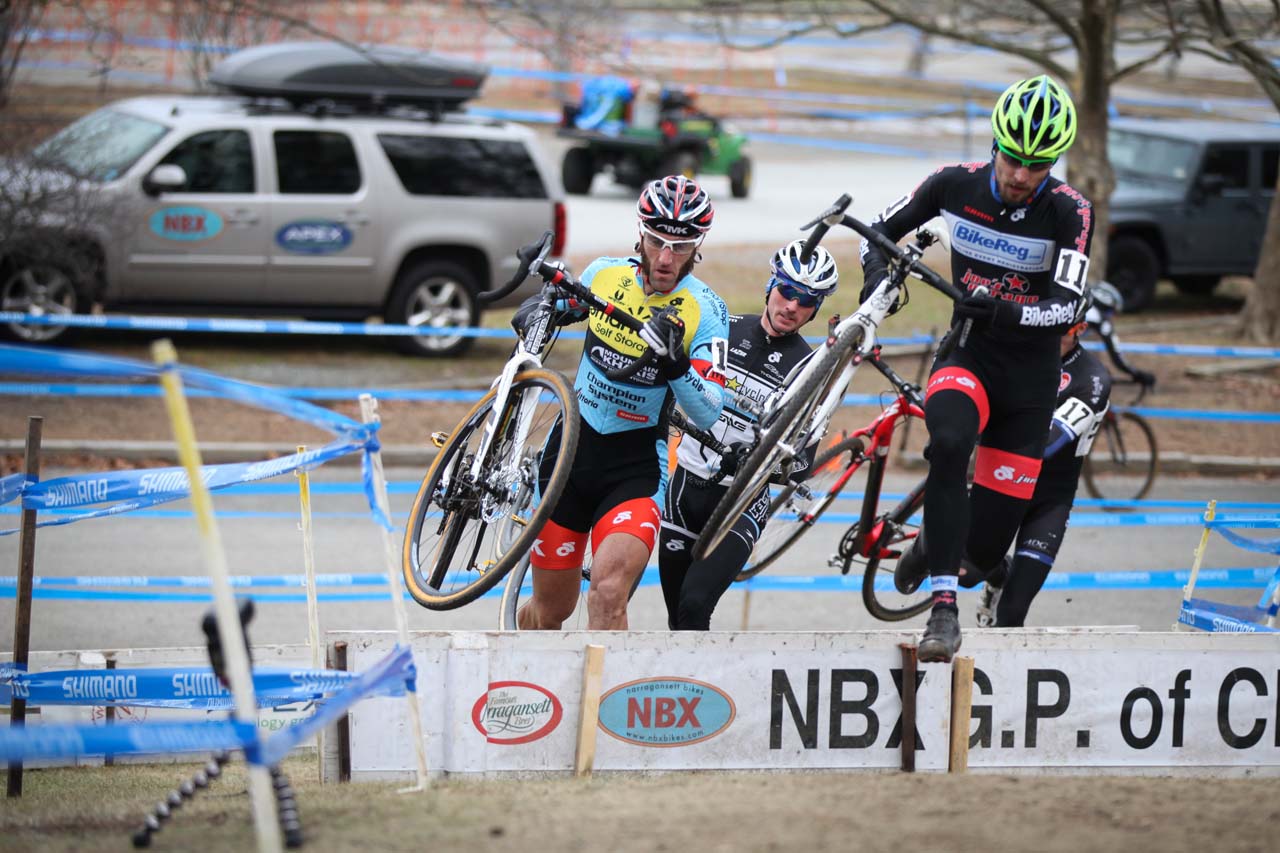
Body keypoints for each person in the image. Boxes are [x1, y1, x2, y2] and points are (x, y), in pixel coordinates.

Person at [860, 74, 1093, 662]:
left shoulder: (1071, 212)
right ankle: (943, 615)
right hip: (968, 354)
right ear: (995, 144)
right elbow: (878, 233)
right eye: (1012, 158)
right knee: (948, 440)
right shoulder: (952, 184)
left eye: (1036, 166)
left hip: (1029, 381)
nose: (1019, 175)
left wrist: (1007, 309)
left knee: (983, 554)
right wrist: (874, 290)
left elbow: (1070, 305)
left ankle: (930, 549)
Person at [515, 175, 730, 631]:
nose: (667, 258)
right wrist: (538, 307)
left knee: (609, 592)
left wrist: (676, 367)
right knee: (550, 611)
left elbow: (709, 411)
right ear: (641, 234)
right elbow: (559, 307)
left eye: (682, 245)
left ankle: (605, 703)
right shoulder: (603, 274)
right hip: (568, 458)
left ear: (699, 245)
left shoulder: (706, 310)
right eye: (657, 242)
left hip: (634, 468)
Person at [658, 241, 839, 630]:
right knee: (677, 619)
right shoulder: (723, 330)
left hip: (740, 501)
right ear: (770, 286)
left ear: (816, 309)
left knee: (694, 605)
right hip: (685, 485)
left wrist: (761, 459)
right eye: (787, 291)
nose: (791, 306)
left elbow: (802, 464)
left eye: (806, 300)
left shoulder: (810, 369)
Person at [970, 283, 1154, 627]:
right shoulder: (1019, 355)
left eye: (1058, 331)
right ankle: (998, 572)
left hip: (1048, 498)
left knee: (1012, 613)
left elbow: (1050, 442)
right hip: (1004, 485)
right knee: (969, 570)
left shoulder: (1093, 378)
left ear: (1079, 329)